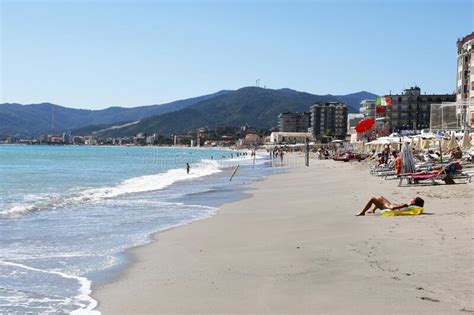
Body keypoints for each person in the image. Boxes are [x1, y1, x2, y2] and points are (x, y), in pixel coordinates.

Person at [356, 196, 424, 216]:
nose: (412, 198)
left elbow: (392, 208)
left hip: (386, 207)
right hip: (389, 205)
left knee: (372, 199)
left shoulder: (406, 205)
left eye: (413, 198)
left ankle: (362, 212)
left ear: (414, 201)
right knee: (380, 198)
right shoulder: (408, 206)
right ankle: (373, 210)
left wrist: (386, 205)